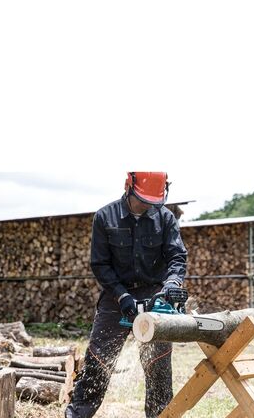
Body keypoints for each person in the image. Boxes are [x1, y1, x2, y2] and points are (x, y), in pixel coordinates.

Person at [65, 172, 188, 418]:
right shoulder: (105, 217)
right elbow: (100, 265)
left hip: (155, 295)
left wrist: (172, 284)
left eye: (153, 201)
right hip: (116, 297)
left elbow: (177, 256)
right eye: (143, 200)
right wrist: (122, 297)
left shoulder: (165, 218)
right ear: (127, 186)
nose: (147, 205)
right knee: (98, 363)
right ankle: (77, 414)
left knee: (159, 369)